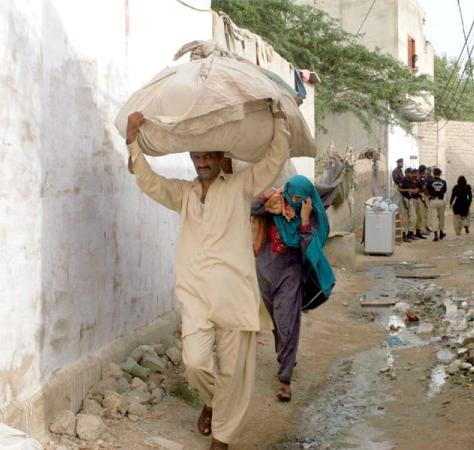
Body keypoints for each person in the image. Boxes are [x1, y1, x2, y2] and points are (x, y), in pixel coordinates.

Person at [125, 106, 290, 450]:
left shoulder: (240, 186)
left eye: (207, 156)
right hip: (195, 295)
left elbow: (273, 162)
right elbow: (150, 182)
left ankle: (222, 436)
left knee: (233, 371)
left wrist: (278, 120)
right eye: (196, 157)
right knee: (195, 363)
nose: (202, 162)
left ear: (220, 157)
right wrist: (132, 143)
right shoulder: (184, 193)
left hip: (234, 294)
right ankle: (212, 401)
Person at [251, 175, 335, 403]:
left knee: (287, 322)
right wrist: (271, 194)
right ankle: (286, 355)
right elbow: (252, 208)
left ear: (308, 199)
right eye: (292, 196)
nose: (294, 201)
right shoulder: (277, 206)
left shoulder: (314, 218)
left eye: (300, 199)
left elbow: (310, 248)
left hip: (290, 275)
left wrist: (304, 220)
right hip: (265, 273)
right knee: (277, 323)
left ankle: (285, 380)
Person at [425, 168, 447, 241]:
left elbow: (425, 188)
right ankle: (441, 232)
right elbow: (444, 190)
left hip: (433, 200)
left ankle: (436, 235)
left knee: (434, 218)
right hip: (441, 200)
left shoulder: (430, 181)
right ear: (440, 173)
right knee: (441, 217)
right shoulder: (443, 182)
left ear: (433, 173)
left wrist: (428, 195)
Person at [412, 169, 428, 239]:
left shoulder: (419, 181)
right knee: (413, 217)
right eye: (416, 174)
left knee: (420, 216)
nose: (417, 176)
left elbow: (423, 188)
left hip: (418, 199)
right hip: (412, 199)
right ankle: (411, 233)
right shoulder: (410, 181)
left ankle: (418, 232)